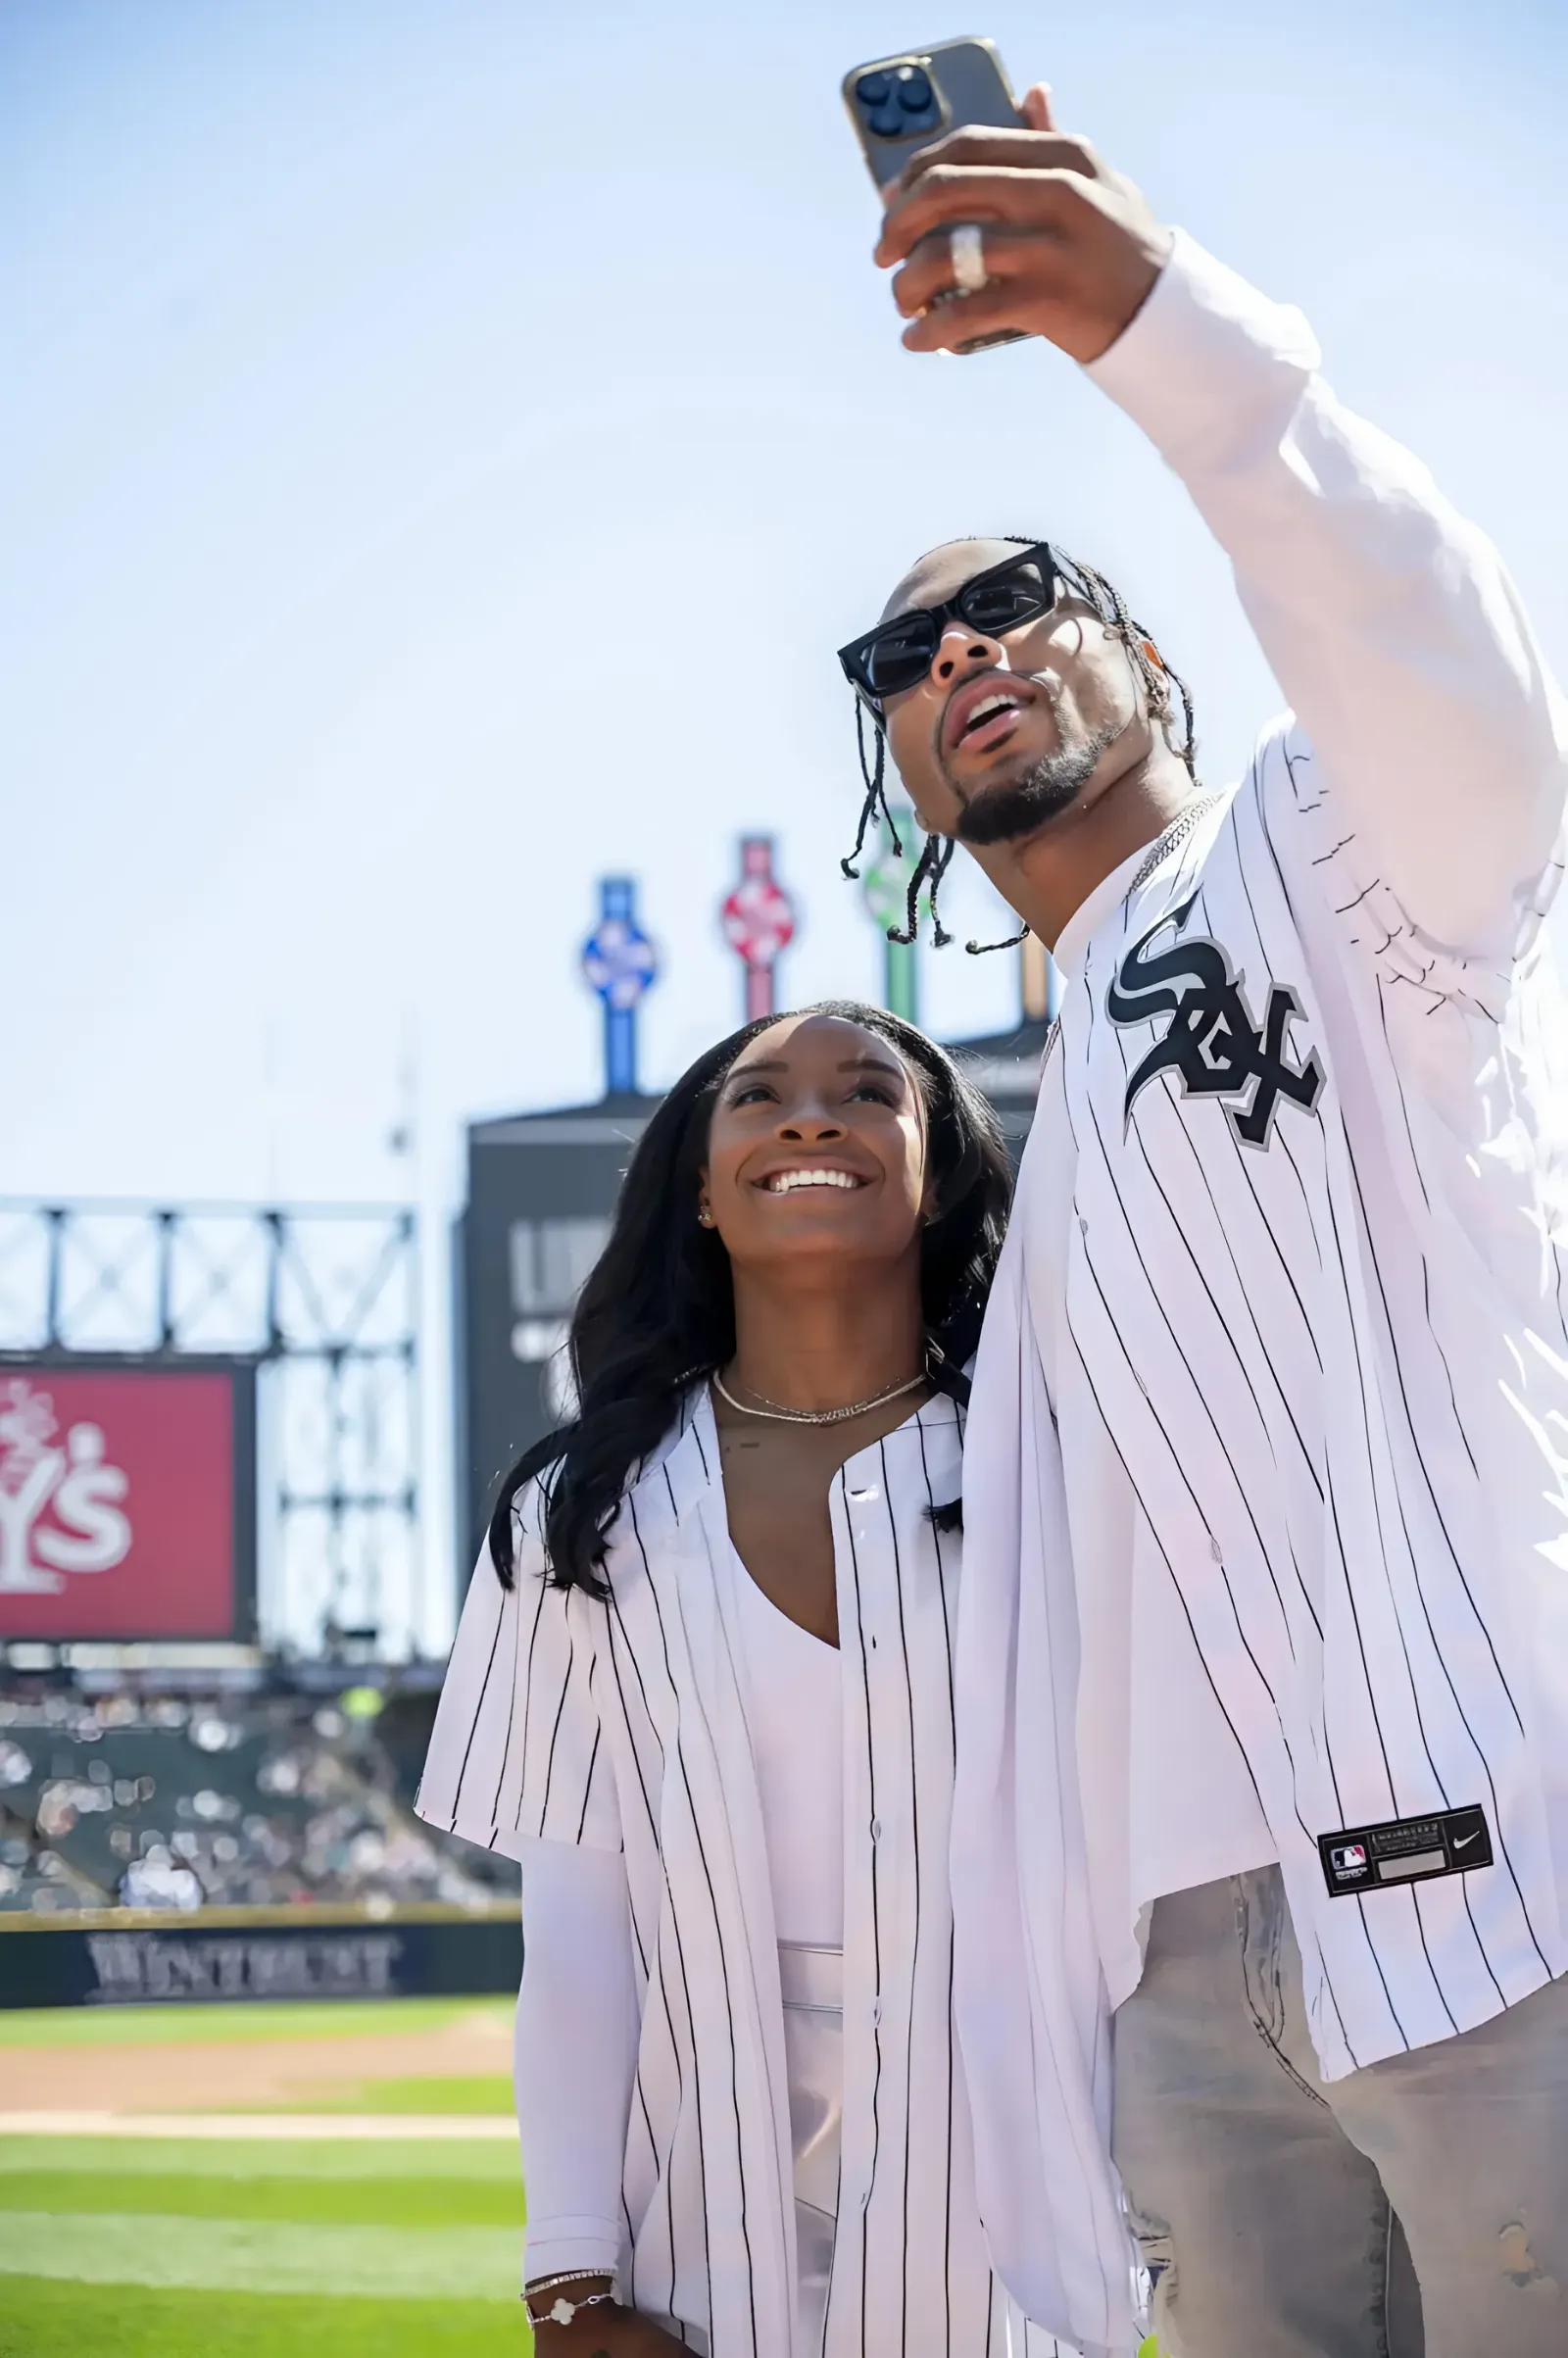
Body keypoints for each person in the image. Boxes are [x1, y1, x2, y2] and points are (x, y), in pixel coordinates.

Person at [836, 79, 1568, 2358]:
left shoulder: (1322, 848)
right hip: (1176, 1975)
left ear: (1148, 664)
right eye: (900, 659)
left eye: (1012, 606)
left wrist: (1165, 339)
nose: (955, 659)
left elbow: (1433, 659)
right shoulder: (1028, 1139)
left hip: (1490, 1895)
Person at [417, 1006, 1070, 2356]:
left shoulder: (1053, 1474)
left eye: (864, 1091)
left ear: (934, 1169)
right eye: (759, 1096)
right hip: (690, 2240)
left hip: (1008, 2239)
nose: (810, 1116)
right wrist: (570, 2277)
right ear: (703, 1190)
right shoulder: (578, 1514)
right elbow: (578, 1934)